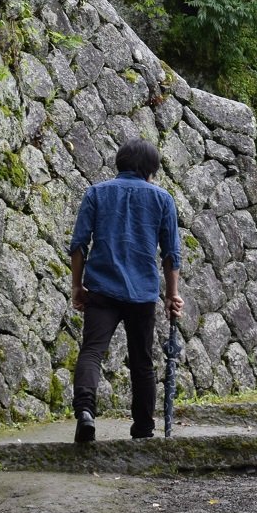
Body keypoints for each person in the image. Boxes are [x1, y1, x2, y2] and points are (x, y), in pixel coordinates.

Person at [68, 137, 184, 443]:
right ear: (149, 169)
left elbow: (79, 244)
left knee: (92, 351)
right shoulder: (162, 199)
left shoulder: (97, 192)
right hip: (142, 293)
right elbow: (171, 254)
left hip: (101, 289)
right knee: (142, 362)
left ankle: (85, 411)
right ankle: (143, 430)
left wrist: (77, 286)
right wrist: (172, 295)